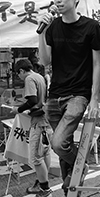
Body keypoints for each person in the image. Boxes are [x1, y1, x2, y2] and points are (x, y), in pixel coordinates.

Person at [38, 0, 100, 196]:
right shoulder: (52, 27)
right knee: (64, 143)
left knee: (58, 144)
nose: (58, 0)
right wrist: (42, 32)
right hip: (54, 96)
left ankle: (80, 166)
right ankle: (71, 189)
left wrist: (94, 97)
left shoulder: (91, 26)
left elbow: (96, 63)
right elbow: (45, 62)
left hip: (78, 95)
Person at [11, 59, 53, 197]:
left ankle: (44, 188)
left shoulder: (29, 78)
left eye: (18, 74)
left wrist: (19, 109)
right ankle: (42, 183)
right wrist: (30, 109)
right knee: (45, 153)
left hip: (38, 122)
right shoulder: (39, 76)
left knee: (35, 157)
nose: (19, 77)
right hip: (46, 120)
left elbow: (32, 100)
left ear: (22, 71)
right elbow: (39, 101)